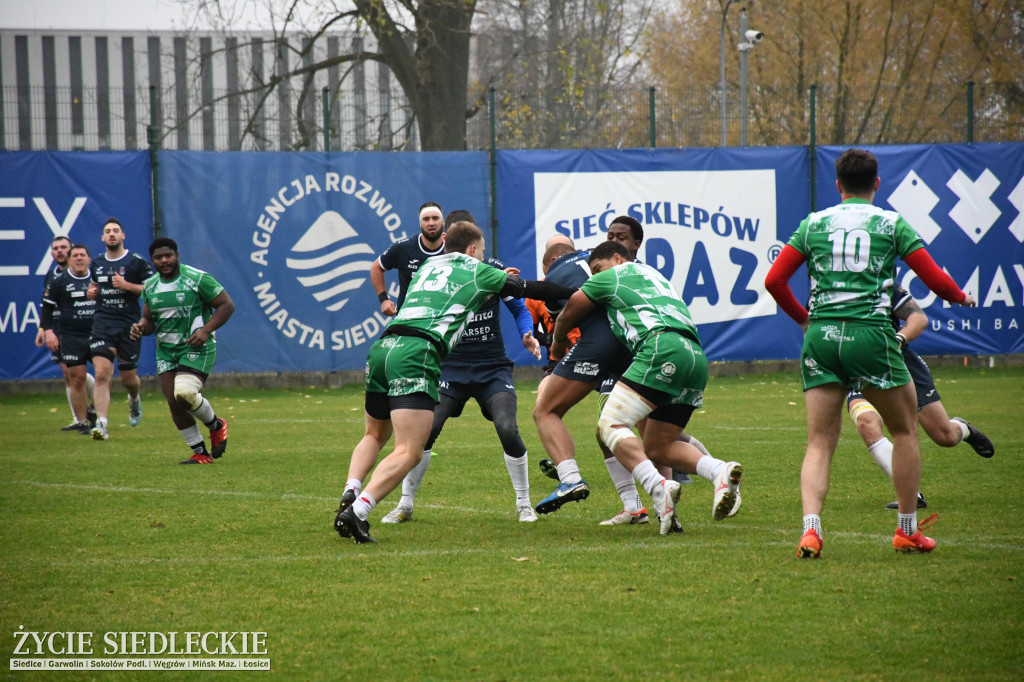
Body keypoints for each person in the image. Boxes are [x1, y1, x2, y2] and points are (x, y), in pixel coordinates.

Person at [764, 148, 976, 558]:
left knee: (819, 442)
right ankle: (907, 531)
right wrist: (959, 296)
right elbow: (934, 279)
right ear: (877, 184)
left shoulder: (814, 224)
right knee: (904, 432)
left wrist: (805, 320)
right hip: (870, 336)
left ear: (838, 185)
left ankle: (810, 531)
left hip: (821, 336)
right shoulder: (891, 223)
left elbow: (775, 280)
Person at [333, 221, 574, 544]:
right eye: (483, 250)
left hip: (383, 348)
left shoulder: (428, 265)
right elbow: (533, 291)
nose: (484, 255)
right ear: (474, 250)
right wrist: (579, 293)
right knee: (410, 450)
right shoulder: (477, 268)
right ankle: (358, 511)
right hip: (417, 353)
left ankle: (352, 489)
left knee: (375, 434)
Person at [534, 218, 720, 526]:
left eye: (621, 237)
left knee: (555, 411)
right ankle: (663, 503)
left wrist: (555, 347)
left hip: (626, 345)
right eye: (610, 235)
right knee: (649, 434)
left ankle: (573, 478)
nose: (614, 240)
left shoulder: (600, 274)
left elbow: (566, 307)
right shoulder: (650, 275)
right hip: (666, 347)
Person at [377, 209, 544, 524]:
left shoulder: (492, 269)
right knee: (427, 429)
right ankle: (405, 504)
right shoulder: (433, 270)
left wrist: (526, 333)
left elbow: (520, 307)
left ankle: (524, 503)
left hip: (491, 367)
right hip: (449, 368)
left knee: (507, 427)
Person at [846, 284, 994, 509]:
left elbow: (918, 318)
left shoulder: (881, 281)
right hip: (855, 365)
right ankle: (912, 495)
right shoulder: (825, 287)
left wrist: (897, 340)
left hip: (898, 361)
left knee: (944, 436)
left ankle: (962, 428)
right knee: (867, 424)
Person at [130, 237, 234, 464]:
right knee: (174, 402)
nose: (164, 260)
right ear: (153, 261)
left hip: (196, 347)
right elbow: (149, 320)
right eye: (158, 257)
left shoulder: (197, 279)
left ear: (177, 255)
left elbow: (227, 305)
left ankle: (216, 425)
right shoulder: (150, 286)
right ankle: (200, 452)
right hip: (166, 351)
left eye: (168, 255)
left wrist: (206, 330)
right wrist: (140, 327)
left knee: (185, 393)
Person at [86, 218, 154, 440]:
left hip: (129, 325)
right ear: (102, 238)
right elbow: (94, 286)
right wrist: (91, 292)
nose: (112, 234)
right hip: (103, 324)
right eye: (108, 231)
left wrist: (127, 286)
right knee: (102, 374)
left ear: (123, 236)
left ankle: (134, 399)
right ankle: (102, 424)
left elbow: (152, 289)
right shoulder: (96, 264)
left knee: (128, 379)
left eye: (116, 231)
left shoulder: (136, 262)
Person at [36, 236, 97, 430]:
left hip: (97, 333)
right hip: (67, 333)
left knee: (104, 373)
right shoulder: (55, 279)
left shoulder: (97, 277)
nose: (60, 251)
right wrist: (45, 330)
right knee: (72, 375)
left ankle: (95, 412)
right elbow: (46, 307)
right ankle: (80, 420)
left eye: (64, 247)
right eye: (56, 248)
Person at [372, 201, 445, 315]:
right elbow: (376, 267)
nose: (431, 223)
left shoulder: (453, 249)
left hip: (441, 322)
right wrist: (384, 300)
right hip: (407, 321)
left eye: (435, 218)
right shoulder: (404, 248)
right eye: (426, 219)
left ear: (443, 222)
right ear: (420, 223)